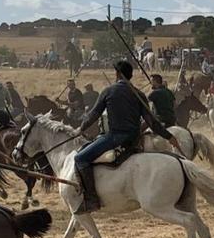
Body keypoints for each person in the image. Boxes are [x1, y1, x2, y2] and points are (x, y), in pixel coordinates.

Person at [73, 60, 175, 215]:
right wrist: (169, 136)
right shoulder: (139, 94)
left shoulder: (108, 91)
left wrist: (81, 128)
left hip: (115, 137)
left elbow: (94, 114)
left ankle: (92, 199)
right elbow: (152, 122)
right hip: (135, 139)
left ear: (117, 74)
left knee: (80, 158)